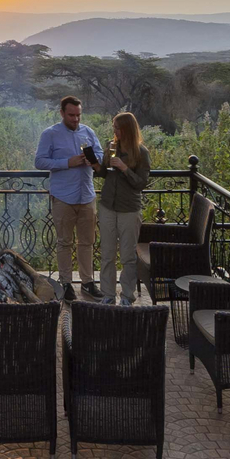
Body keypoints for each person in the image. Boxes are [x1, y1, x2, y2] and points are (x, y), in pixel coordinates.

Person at [35, 95, 103, 300]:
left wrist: (93, 160)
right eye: (71, 115)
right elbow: (39, 161)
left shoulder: (88, 132)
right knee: (64, 242)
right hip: (63, 197)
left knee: (87, 242)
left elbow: (100, 154)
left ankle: (87, 282)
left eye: (78, 115)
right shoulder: (50, 134)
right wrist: (68, 162)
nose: (75, 119)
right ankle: (66, 284)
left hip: (87, 196)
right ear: (62, 113)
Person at [96, 111, 151, 304]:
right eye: (114, 128)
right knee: (107, 254)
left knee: (128, 256)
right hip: (108, 206)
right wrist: (95, 164)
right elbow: (103, 173)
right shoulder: (112, 147)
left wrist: (124, 168)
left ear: (127, 129)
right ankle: (108, 295)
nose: (115, 131)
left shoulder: (141, 152)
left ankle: (127, 296)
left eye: (118, 128)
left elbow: (141, 183)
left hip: (129, 209)